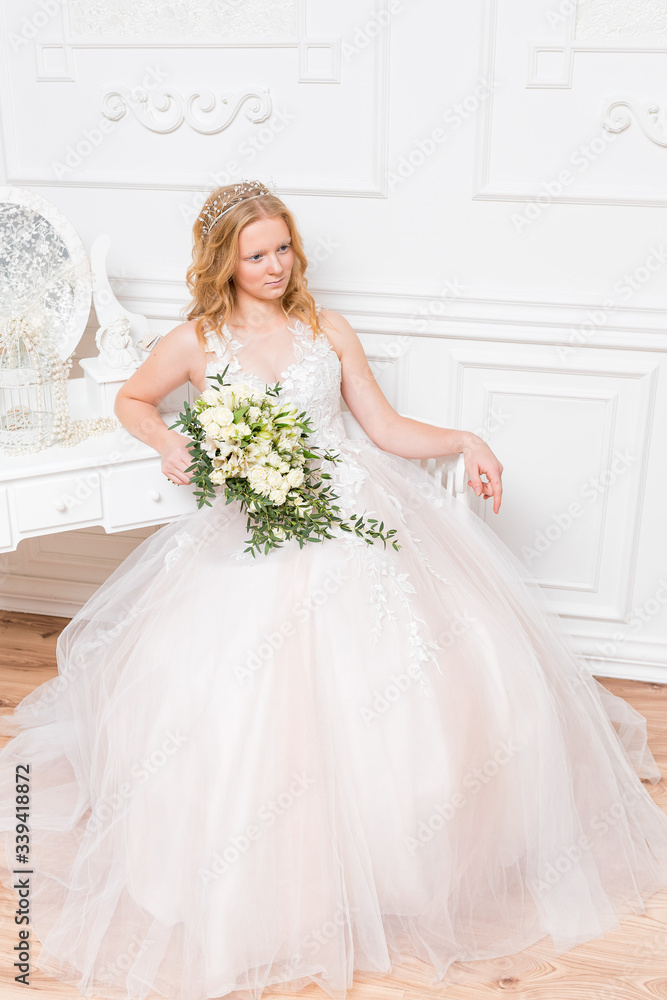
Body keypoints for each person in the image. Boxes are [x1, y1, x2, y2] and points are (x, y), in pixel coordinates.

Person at [1, 179, 666, 1000]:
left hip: (353, 512)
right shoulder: (196, 342)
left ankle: (410, 871)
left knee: (419, 678)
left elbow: (382, 430)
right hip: (251, 531)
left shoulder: (327, 329)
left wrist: (462, 436)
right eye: (255, 254)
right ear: (224, 262)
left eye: (283, 247)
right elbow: (131, 398)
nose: (275, 265)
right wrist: (169, 441)